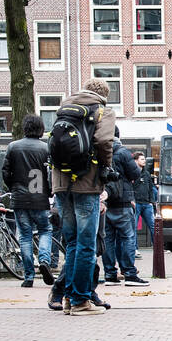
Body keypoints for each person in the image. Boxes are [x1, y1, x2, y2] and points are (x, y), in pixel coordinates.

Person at [51, 79, 116, 312]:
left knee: (72, 243)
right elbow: (104, 141)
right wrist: (105, 168)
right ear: (104, 94)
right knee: (87, 244)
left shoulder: (64, 107)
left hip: (60, 183)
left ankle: (68, 298)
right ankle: (80, 300)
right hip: (86, 183)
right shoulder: (102, 111)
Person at [3, 114, 54, 287]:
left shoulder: (13, 147)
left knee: (24, 236)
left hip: (19, 198)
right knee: (45, 231)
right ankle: (45, 261)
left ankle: (28, 277)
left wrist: (13, 188)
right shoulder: (45, 148)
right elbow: (50, 175)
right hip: (39, 197)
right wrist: (50, 191)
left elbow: (5, 172)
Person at [102, 137, 145, 285]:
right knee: (128, 237)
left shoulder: (100, 151)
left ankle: (109, 274)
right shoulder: (123, 153)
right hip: (122, 201)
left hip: (105, 202)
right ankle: (129, 273)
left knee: (108, 239)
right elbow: (135, 173)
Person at [133, 151, 157, 252]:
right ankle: (134, 249)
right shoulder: (132, 173)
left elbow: (151, 188)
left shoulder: (147, 174)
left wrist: (151, 202)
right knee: (133, 226)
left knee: (153, 226)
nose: (144, 161)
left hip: (147, 204)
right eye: (142, 159)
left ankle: (157, 248)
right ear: (136, 161)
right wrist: (132, 200)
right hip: (136, 203)